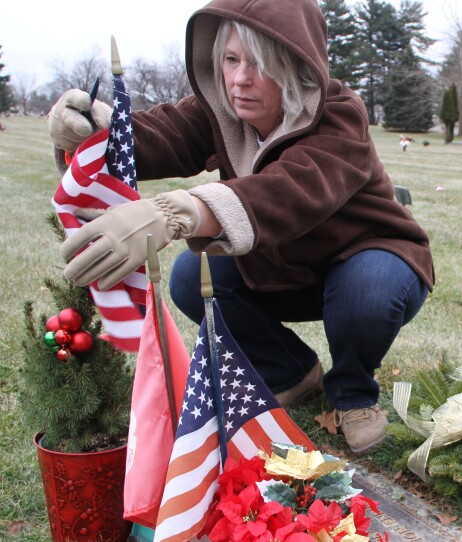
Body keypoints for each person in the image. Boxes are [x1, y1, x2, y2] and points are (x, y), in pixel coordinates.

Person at [46, 0, 434, 455]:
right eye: (231, 60)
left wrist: (177, 212)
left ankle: (353, 392)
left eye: (261, 64)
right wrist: (96, 129)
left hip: (370, 258)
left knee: (367, 290)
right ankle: (291, 372)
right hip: (282, 265)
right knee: (193, 278)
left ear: (297, 66)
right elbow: (164, 135)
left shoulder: (339, 115)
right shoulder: (224, 108)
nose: (240, 79)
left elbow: (288, 193)